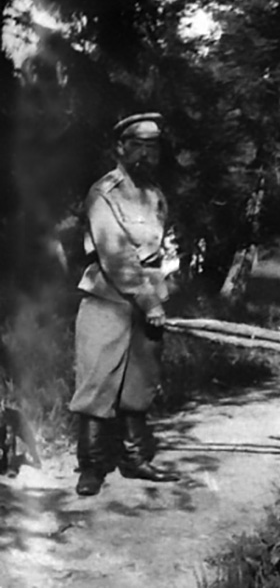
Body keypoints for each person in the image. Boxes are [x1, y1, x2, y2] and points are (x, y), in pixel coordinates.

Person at [69, 112, 179, 496]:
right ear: (121, 147)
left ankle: (134, 459)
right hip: (108, 298)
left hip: (149, 298)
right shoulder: (105, 192)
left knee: (141, 381)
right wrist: (150, 302)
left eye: (153, 146)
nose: (147, 153)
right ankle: (92, 467)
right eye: (139, 145)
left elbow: (162, 246)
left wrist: (164, 284)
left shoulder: (153, 193)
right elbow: (116, 257)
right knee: (97, 382)